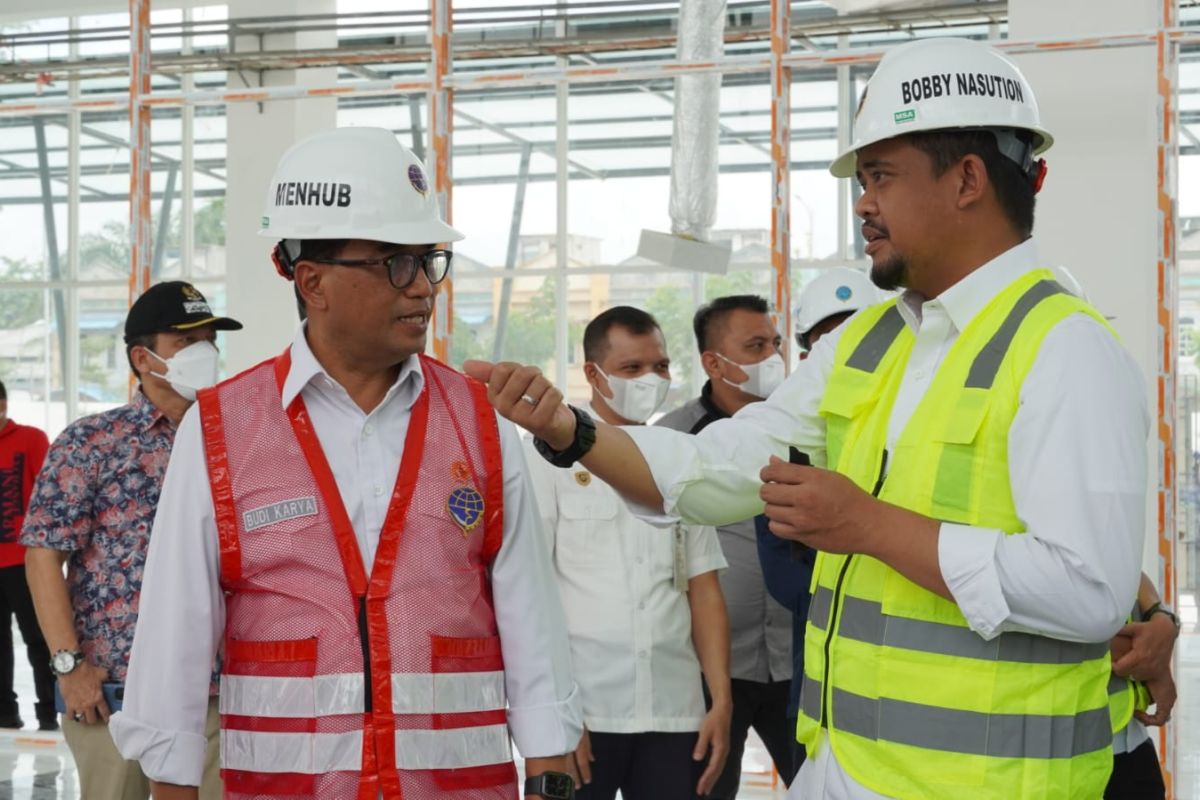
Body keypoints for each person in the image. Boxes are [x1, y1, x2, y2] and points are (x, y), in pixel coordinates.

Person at [466, 36, 1149, 800]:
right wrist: (571, 431)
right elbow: (715, 470)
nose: (862, 201)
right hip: (847, 766)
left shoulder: (1066, 349)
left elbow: (1087, 590)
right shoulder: (873, 341)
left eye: (880, 176)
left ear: (966, 180)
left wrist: (867, 526)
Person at [109, 127, 583, 800]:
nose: (423, 288)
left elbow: (529, 608)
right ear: (313, 281)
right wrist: (173, 784)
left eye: (429, 262)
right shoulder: (221, 429)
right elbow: (176, 629)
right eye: (397, 263)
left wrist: (549, 765)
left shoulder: (476, 420)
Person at [22, 281, 241, 800]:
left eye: (210, 340)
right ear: (143, 358)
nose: (204, 354)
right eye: (186, 343)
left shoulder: (238, 439)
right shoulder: (91, 442)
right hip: (112, 694)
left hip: (215, 691)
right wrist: (69, 667)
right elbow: (43, 556)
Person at [526, 306, 730, 800]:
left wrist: (720, 699)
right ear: (594, 375)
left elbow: (703, 587)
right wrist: (553, 713)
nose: (651, 379)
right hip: (586, 712)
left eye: (659, 366)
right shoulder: (547, 459)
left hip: (674, 707)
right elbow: (531, 592)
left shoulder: (680, 457)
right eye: (632, 368)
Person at [655, 295, 796, 796]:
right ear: (714, 362)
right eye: (756, 346)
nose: (773, 357)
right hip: (712, 669)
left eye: (776, 343)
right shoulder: (675, 437)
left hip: (797, 660)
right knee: (705, 789)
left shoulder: (805, 427)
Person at [0, 380, 54, 731]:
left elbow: (49, 498)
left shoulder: (32, 439)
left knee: (39, 639)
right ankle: (5, 713)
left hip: (26, 561)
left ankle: (50, 712)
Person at [1104, 572, 1178, 800]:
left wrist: (1158, 613)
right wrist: (1156, 661)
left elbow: (1129, 569)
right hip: (1065, 758)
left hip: (1132, 742)